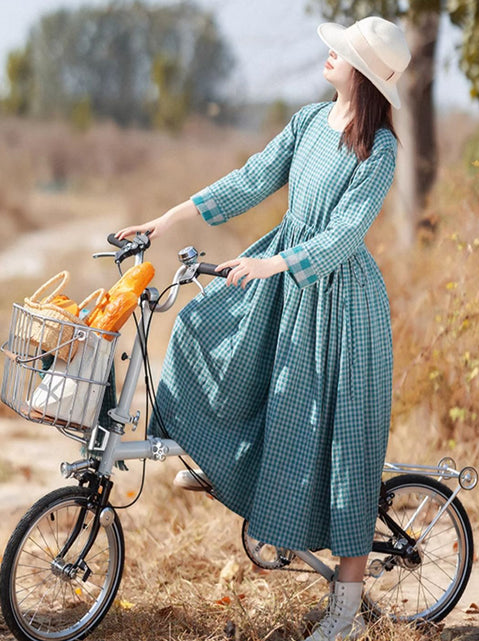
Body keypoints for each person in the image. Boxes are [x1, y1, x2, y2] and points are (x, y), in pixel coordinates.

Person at [116, 16, 411, 641]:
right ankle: (215, 459)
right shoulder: (307, 122)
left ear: (362, 70)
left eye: (342, 50)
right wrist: (163, 222)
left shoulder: (378, 149)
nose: (329, 54)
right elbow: (251, 179)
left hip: (341, 302)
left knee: (342, 447)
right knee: (200, 325)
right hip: (284, 272)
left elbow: (344, 236)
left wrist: (272, 262)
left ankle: (346, 611)